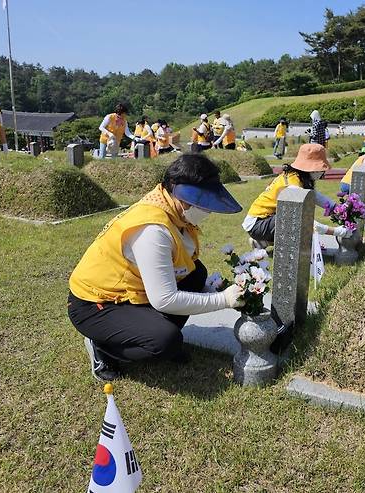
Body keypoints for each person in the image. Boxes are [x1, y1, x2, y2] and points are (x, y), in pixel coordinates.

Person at [68, 153, 245, 380]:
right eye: (203, 203)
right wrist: (223, 300)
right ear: (183, 197)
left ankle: (145, 330)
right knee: (165, 340)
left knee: (196, 273)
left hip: (130, 294)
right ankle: (103, 347)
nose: (208, 210)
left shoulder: (172, 209)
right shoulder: (152, 230)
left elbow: (182, 264)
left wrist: (208, 289)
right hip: (95, 304)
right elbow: (164, 299)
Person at [242, 143, 352, 249]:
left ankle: (262, 242)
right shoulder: (293, 186)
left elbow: (314, 196)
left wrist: (337, 208)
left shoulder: (297, 177)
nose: (323, 173)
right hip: (258, 223)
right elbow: (302, 219)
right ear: (311, 168)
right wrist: (336, 231)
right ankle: (263, 239)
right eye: (321, 169)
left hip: (264, 221)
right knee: (296, 222)